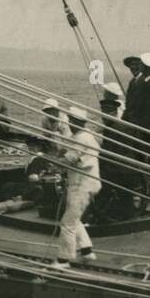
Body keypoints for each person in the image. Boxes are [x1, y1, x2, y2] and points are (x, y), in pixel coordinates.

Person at [51, 107, 102, 268]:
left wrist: (52, 164)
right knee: (74, 218)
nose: (69, 124)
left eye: (71, 121)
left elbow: (70, 159)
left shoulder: (80, 138)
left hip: (82, 183)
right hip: (87, 181)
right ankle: (87, 251)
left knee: (67, 223)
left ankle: (64, 259)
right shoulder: (86, 136)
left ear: (75, 122)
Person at [123, 52, 150, 199]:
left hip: (147, 130)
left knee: (149, 158)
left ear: (145, 67)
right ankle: (145, 187)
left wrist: (136, 126)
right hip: (140, 128)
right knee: (143, 157)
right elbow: (131, 107)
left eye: (139, 65)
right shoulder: (141, 83)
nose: (136, 67)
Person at [95, 81, 138, 221]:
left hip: (120, 170)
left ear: (113, 113)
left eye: (105, 113)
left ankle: (101, 214)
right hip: (126, 167)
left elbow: (109, 152)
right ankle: (122, 214)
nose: (103, 117)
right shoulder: (115, 125)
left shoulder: (114, 129)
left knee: (101, 181)